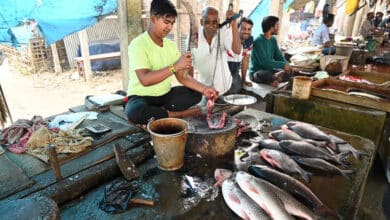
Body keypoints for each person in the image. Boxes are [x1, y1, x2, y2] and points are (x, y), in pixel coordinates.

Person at [125, 0, 218, 125]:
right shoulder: (138, 44)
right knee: (135, 112)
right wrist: (175, 66)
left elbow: (183, 77)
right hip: (141, 97)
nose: (169, 27)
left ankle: (161, 114)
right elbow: (145, 80)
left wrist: (205, 89)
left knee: (196, 94)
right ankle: (180, 114)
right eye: (166, 22)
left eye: (172, 23)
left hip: (165, 96)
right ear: (153, 19)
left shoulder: (171, 46)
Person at [191, 6, 241, 98]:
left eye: (214, 23)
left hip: (225, 88)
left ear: (218, 22)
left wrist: (234, 26)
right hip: (204, 89)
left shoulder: (223, 32)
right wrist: (191, 89)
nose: (211, 26)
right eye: (207, 22)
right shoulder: (194, 38)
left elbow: (237, 50)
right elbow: (189, 65)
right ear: (202, 22)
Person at [248, 16, 293, 87]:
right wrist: (283, 65)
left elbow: (278, 56)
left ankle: (275, 78)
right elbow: (264, 63)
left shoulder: (273, 39)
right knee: (262, 74)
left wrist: (288, 66)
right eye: (277, 25)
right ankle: (275, 78)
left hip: (270, 70)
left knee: (290, 73)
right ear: (271, 28)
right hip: (257, 72)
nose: (279, 28)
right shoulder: (258, 41)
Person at [226, 17, 254, 93]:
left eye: (249, 29)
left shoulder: (249, 40)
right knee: (233, 87)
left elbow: (246, 60)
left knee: (237, 85)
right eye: (243, 28)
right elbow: (237, 51)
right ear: (238, 28)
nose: (246, 31)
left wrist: (244, 79)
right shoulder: (229, 37)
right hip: (224, 70)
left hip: (234, 71)